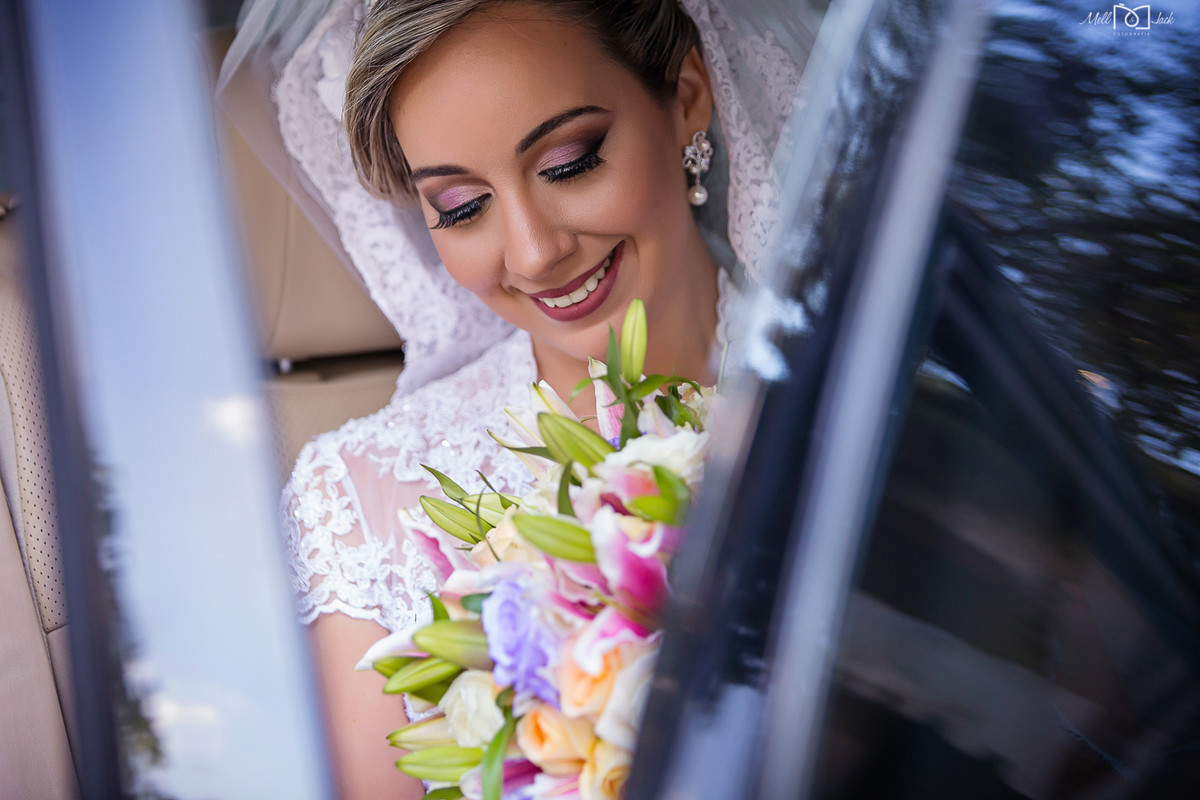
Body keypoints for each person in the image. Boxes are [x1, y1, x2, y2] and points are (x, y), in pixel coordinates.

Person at [220, 0, 811, 796]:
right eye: (462, 208)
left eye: (569, 162)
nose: (534, 253)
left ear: (685, 97)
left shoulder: (862, 391)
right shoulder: (363, 510)